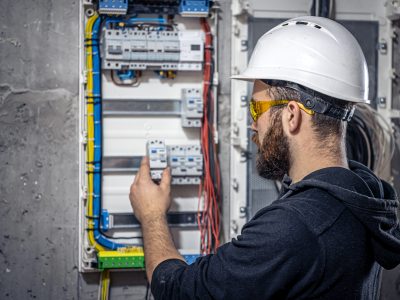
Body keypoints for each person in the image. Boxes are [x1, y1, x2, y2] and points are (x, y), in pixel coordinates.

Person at [129, 16, 400, 299]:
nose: (252, 124)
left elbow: (177, 291)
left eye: (257, 110)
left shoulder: (295, 226)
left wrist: (151, 216)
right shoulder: (362, 195)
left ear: (291, 115)